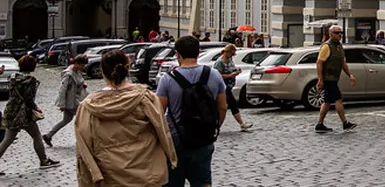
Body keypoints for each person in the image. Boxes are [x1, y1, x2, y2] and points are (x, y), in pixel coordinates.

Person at [75, 49, 176, 187]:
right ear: (128, 68)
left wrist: (91, 177)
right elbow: (162, 131)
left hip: (109, 176)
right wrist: (171, 157)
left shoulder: (88, 107)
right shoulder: (146, 98)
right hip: (146, 173)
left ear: (103, 72)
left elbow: (84, 147)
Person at [156, 34, 227, 187]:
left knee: (173, 181)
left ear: (177, 55)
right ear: (198, 52)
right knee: (202, 181)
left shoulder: (167, 79)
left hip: (176, 138)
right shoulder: (214, 75)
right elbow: (222, 107)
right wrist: (215, 126)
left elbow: (159, 112)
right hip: (204, 135)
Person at [0, 55, 59, 174]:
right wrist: (36, 108)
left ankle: (44, 160)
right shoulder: (30, 81)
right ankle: (44, 160)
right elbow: (29, 99)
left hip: (11, 110)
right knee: (36, 135)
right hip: (24, 113)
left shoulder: (13, 77)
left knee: (7, 140)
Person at [315, 25, 357, 133]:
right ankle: (345, 123)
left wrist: (350, 75)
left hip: (334, 77)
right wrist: (320, 79)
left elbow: (343, 63)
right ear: (330, 34)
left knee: (327, 101)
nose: (339, 35)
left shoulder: (339, 46)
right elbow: (319, 63)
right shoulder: (326, 46)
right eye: (337, 33)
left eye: (340, 33)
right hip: (329, 78)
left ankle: (320, 124)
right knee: (338, 99)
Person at [44, 54, 88, 146]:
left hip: (74, 99)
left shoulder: (77, 71)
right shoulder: (68, 74)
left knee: (66, 120)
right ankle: (84, 139)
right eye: (82, 65)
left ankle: (48, 135)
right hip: (70, 101)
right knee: (83, 117)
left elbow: (79, 81)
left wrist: (82, 85)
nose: (83, 67)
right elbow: (62, 90)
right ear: (76, 63)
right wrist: (62, 104)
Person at [215, 46, 253, 132]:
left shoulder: (229, 60)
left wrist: (236, 71)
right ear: (227, 52)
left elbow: (231, 69)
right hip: (222, 87)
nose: (232, 56)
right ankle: (217, 126)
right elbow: (217, 75)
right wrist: (230, 75)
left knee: (230, 105)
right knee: (228, 105)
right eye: (231, 54)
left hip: (228, 87)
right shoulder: (219, 62)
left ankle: (217, 126)